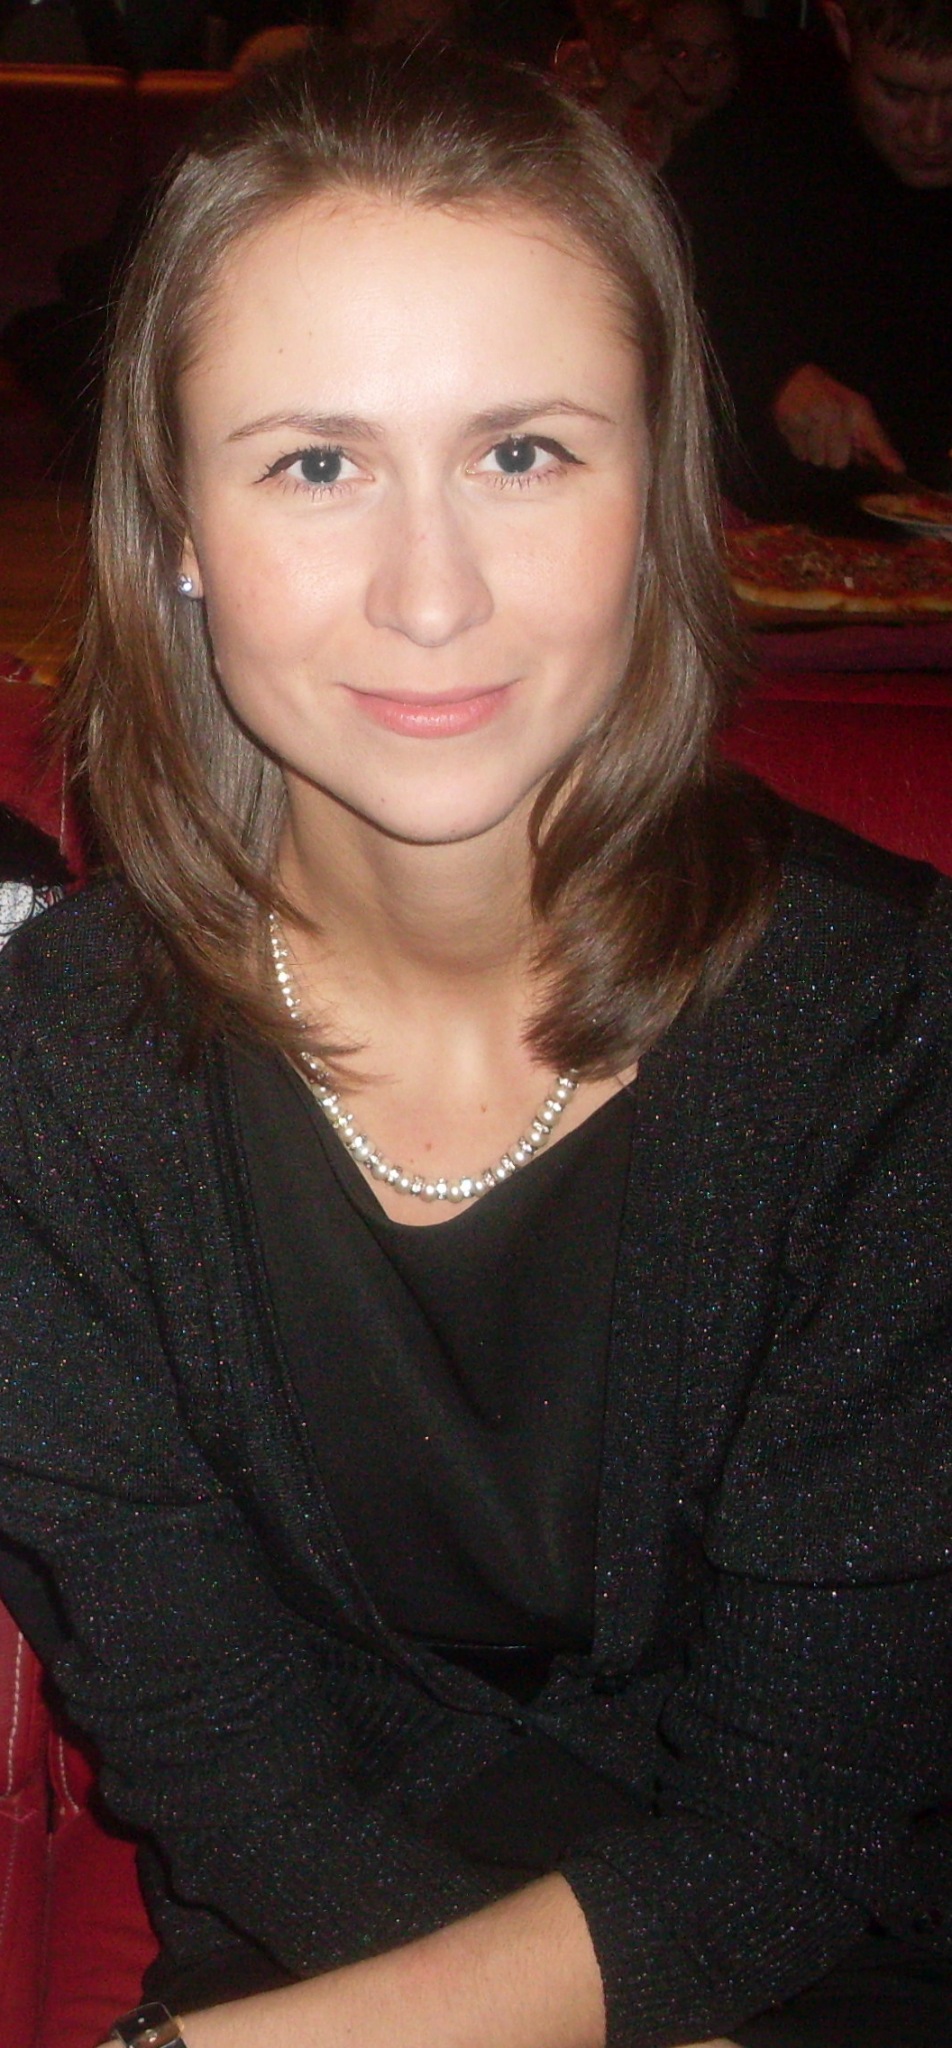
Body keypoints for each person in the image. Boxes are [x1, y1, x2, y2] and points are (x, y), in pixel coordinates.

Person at [0, 36, 950, 2048]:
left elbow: (799, 1830)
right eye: (313, 463)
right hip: (329, 1935)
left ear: (655, 493)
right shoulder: (49, 1078)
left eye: (522, 453)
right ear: (176, 522)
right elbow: (229, 1771)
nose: (428, 596)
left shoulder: (887, 1041)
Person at [665, 0, 952, 523]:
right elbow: (660, 300)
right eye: (899, 93)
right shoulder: (754, 146)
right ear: (842, 29)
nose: (931, 131)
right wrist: (773, 376)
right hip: (786, 524)